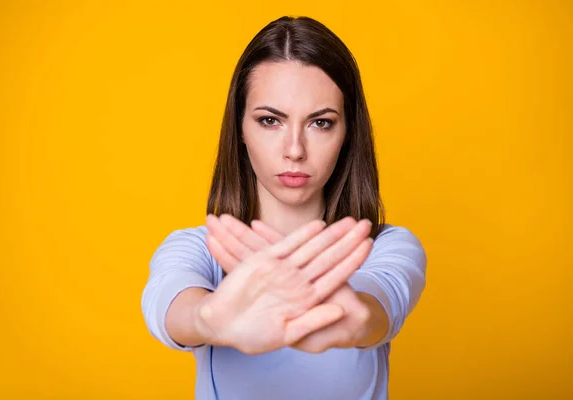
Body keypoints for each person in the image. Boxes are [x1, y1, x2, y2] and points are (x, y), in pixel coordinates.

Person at [141, 15, 427, 400]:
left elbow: (377, 307)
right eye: (270, 120)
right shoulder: (198, 249)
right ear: (240, 130)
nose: (294, 149)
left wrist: (351, 318)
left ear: (347, 134)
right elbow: (169, 302)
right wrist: (209, 319)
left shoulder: (388, 246)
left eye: (320, 123)